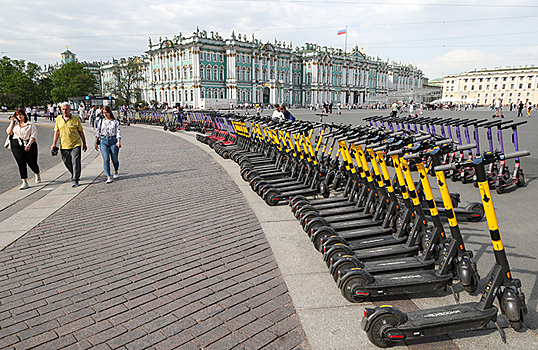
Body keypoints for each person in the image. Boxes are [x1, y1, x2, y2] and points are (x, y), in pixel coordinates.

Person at [51, 102, 87, 187]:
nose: (65, 111)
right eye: (63, 109)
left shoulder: (75, 119)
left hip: (76, 144)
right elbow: (56, 132)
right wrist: (54, 144)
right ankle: (73, 173)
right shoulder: (58, 119)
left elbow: (81, 132)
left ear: (70, 110)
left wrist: (84, 143)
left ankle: (76, 179)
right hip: (63, 145)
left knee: (76, 161)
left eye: (66, 109)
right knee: (67, 162)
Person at [6, 108, 41, 190]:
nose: (19, 116)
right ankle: (24, 182)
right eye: (17, 115)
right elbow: (9, 132)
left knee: (32, 163)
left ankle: (37, 173)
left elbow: (33, 136)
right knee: (21, 162)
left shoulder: (30, 124)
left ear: (24, 115)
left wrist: (29, 144)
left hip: (29, 144)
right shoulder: (15, 124)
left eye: (20, 114)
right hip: (16, 144)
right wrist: (12, 121)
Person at [94, 106, 121, 184]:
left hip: (113, 140)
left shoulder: (115, 122)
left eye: (106, 112)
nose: (105, 114)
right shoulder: (101, 121)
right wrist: (96, 141)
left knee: (114, 159)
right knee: (106, 159)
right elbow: (98, 131)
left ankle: (116, 170)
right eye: (103, 113)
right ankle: (108, 176)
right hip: (104, 140)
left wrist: (119, 141)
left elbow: (118, 131)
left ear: (110, 112)